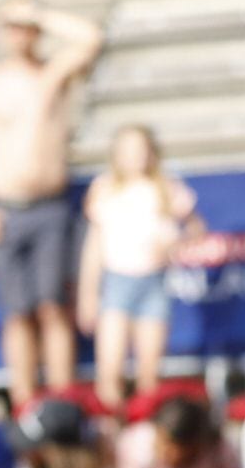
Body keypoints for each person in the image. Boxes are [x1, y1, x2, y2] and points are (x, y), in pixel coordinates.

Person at [0, 0, 104, 406]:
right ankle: (25, 401)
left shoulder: (52, 75)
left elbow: (91, 38)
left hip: (50, 207)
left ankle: (63, 401)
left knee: (53, 308)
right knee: (18, 314)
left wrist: (40, 13)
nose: (18, 32)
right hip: (7, 209)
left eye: (24, 25)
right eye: (11, 24)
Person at [79, 125, 198, 409]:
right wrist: (88, 293)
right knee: (110, 369)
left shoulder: (167, 188)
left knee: (149, 373)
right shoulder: (104, 189)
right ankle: (111, 428)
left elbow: (196, 228)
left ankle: (144, 428)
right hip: (117, 282)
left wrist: (173, 244)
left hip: (153, 282)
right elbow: (93, 248)